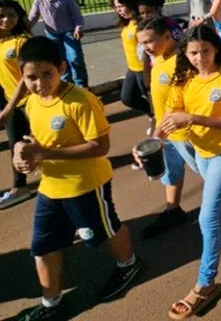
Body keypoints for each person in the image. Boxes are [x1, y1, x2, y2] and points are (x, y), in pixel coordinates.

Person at [13, 37, 140, 320]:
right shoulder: (32, 102)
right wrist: (23, 154)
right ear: (22, 77)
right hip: (50, 187)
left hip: (86, 185)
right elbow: (36, 140)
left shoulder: (81, 101)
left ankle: (128, 263)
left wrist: (44, 152)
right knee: (42, 246)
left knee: (106, 229)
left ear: (61, 67)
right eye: (31, 77)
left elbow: (100, 146)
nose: (40, 83)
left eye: (47, 74)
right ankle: (50, 302)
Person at [162, 25, 221, 319]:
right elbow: (170, 114)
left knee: (208, 215)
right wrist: (156, 138)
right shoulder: (184, 79)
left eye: (205, 51)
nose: (200, 57)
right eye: (193, 52)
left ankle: (205, 283)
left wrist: (193, 118)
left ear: (216, 49)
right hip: (200, 152)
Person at [133, 17, 199, 240]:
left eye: (149, 42)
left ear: (167, 36)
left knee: (215, 179)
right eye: (142, 43)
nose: (145, 47)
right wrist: (156, 130)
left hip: (186, 135)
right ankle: (173, 210)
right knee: (170, 174)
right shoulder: (157, 58)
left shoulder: (183, 60)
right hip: (165, 134)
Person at [0, 0, 34, 209]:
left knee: (43, 141)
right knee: (15, 145)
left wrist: (9, 106)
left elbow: (26, 77)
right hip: (12, 102)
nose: (7, 19)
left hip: (31, 101)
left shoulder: (23, 41)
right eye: (2, 15)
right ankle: (19, 187)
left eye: (11, 15)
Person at [27, 0, 88, 87]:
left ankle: (82, 84)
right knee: (60, 61)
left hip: (69, 33)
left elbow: (77, 14)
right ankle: (67, 84)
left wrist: (78, 28)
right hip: (52, 35)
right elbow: (32, 17)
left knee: (75, 58)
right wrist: (25, 29)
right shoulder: (38, 1)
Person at [111, 0, 152, 125]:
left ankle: (159, 121)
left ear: (131, 4)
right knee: (127, 98)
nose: (119, 10)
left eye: (121, 6)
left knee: (153, 98)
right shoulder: (128, 23)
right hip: (132, 69)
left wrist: (147, 72)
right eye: (116, 8)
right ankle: (152, 114)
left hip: (144, 69)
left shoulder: (141, 24)